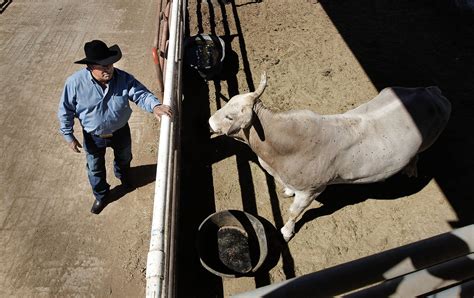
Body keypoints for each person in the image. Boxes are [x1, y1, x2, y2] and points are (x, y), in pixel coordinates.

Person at [58, 40, 172, 214]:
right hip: (93, 137)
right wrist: (68, 135)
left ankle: (124, 177)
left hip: (120, 131)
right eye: (102, 66)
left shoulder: (123, 78)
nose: (108, 69)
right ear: (89, 67)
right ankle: (102, 195)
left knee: (124, 158)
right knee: (95, 168)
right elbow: (65, 109)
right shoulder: (74, 84)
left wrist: (155, 106)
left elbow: (140, 94)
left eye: (110, 64)